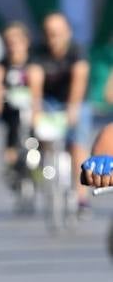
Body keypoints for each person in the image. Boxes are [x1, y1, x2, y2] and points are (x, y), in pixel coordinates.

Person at [27, 11, 92, 210]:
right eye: (49, 33)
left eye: (57, 33)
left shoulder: (76, 51)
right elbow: (35, 81)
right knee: (41, 134)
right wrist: (36, 110)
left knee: (77, 144)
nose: (53, 38)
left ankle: (82, 196)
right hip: (49, 101)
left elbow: (79, 80)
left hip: (74, 101)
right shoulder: (38, 53)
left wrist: (72, 109)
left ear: (67, 33)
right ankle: (44, 166)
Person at [0, 21, 34, 186]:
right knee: (12, 131)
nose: (13, 46)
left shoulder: (34, 62)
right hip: (12, 110)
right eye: (9, 42)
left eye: (17, 41)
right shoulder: (2, 65)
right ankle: (11, 163)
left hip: (32, 108)